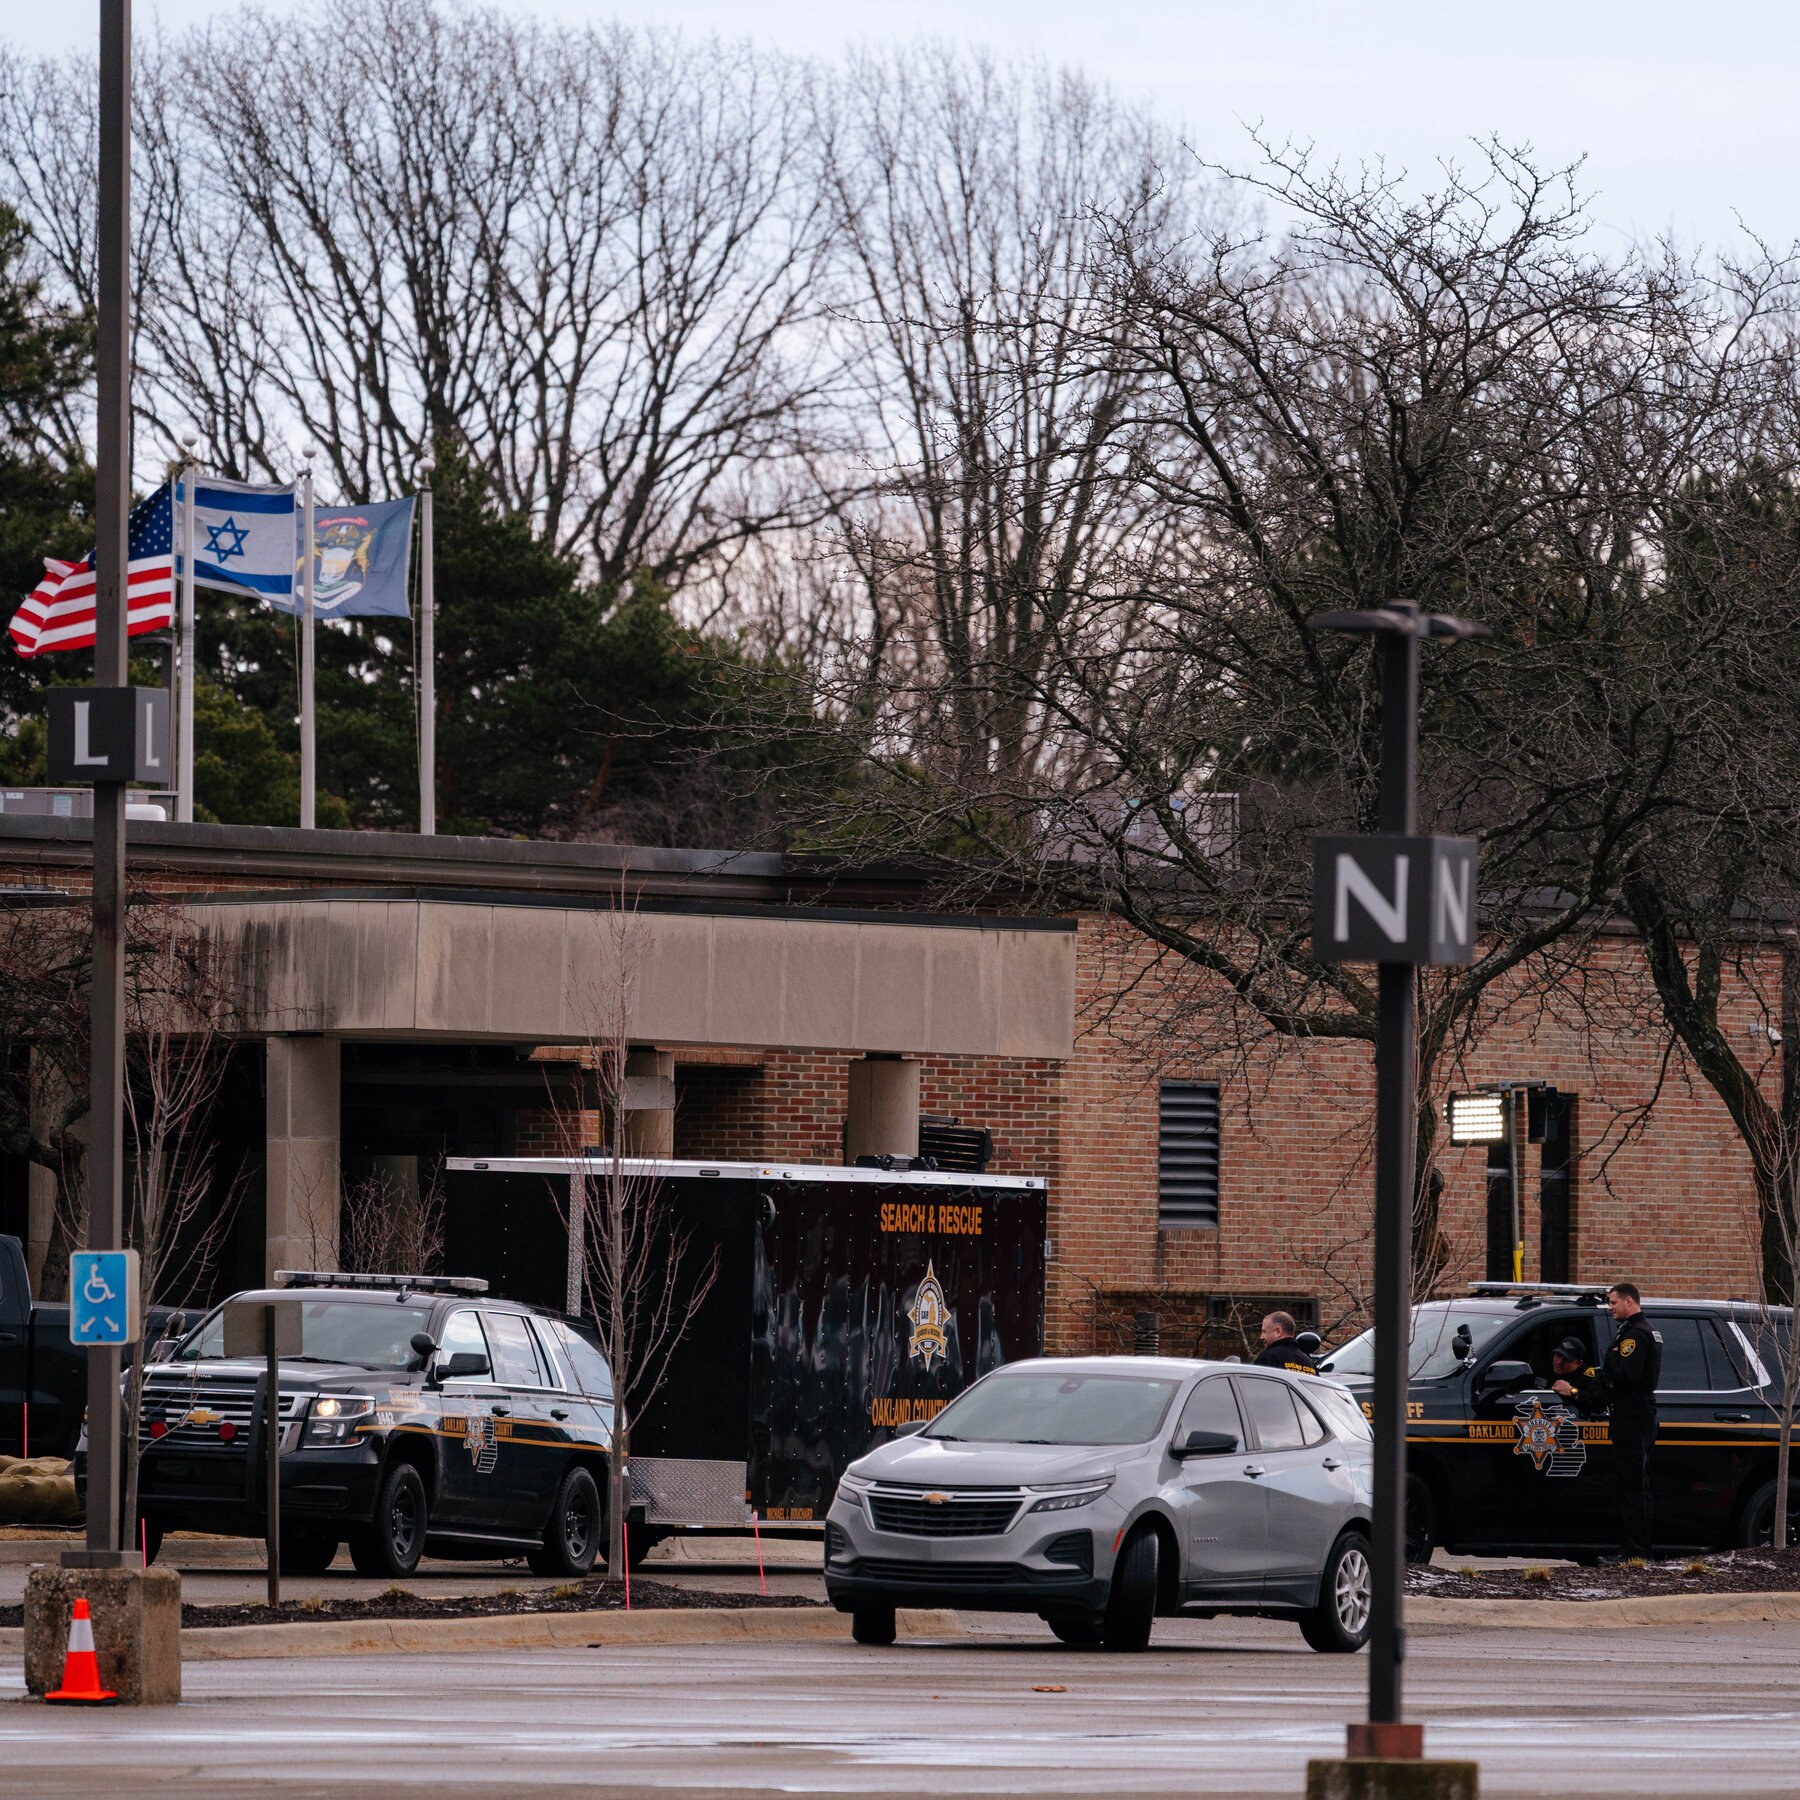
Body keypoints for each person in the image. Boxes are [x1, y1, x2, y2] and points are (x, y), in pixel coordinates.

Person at [1557, 1283, 1660, 1558]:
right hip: (1634, 1415)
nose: (1610, 1307)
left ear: (1629, 1301)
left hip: (1632, 1416)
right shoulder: (1635, 1331)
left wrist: (1579, 1393)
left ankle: (1636, 1553)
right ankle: (1635, 1550)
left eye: (1614, 1302)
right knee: (1635, 1486)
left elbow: (1624, 1380)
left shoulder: (1635, 1335)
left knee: (1633, 1487)